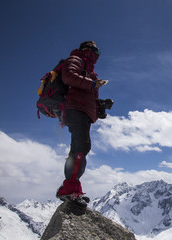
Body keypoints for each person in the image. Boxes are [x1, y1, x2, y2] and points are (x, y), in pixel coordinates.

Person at [56, 41, 107, 201]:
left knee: (80, 148)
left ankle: (73, 188)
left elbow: (89, 96)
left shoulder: (90, 71)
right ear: (87, 50)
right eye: (96, 51)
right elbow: (68, 77)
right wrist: (92, 84)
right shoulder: (75, 60)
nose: (97, 55)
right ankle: (69, 190)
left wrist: (101, 107)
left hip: (83, 111)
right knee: (80, 147)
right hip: (75, 108)